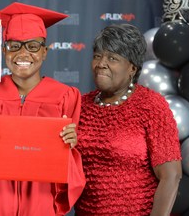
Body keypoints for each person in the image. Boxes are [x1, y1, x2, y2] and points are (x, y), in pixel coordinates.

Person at [0, 2, 86, 215]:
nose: (23, 53)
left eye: (33, 46)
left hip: (41, 199)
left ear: (44, 52)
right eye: (14, 45)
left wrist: (70, 145)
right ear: (4, 50)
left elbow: (68, 162)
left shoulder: (66, 96)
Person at [75, 24, 182, 215]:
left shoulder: (151, 105)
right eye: (97, 56)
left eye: (112, 58)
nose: (101, 63)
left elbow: (171, 176)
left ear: (132, 67)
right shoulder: (80, 106)